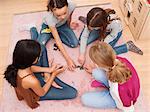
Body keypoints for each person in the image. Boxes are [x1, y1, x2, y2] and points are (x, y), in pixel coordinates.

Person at [4, 39, 77, 109]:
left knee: (41, 47)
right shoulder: (31, 81)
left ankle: (47, 75)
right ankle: (49, 76)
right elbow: (42, 93)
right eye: (37, 57)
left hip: (32, 79)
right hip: (37, 92)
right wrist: (54, 75)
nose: (38, 58)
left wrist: (49, 70)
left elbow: (30, 68)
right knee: (72, 92)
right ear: (30, 61)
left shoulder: (19, 64)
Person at [81, 42, 140, 112]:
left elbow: (129, 108)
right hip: (118, 86)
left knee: (84, 99)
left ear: (98, 64)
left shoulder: (118, 89)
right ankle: (108, 87)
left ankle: (110, 94)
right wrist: (93, 70)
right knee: (96, 72)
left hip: (119, 98)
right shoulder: (119, 60)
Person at [78, 7, 143, 65]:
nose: (90, 29)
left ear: (101, 24)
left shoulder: (115, 23)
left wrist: (102, 43)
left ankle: (127, 46)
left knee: (104, 53)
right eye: (89, 25)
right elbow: (84, 36)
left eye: (93, 27)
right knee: (82, 41)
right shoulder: (94, 21)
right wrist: (82, 54)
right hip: (101, 29)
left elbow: (112, 36)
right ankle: (90, 23)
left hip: (113, 34)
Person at [35, 0, 79, 71]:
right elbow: (58, 41)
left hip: (62, 25)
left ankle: (53, 35)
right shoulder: (49, 18)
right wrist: (68, 59)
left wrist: (69, 25)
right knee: (39, 47)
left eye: (65, 13)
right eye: (58, 15)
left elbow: (69, 16)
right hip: (49, 27)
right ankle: (33, 30)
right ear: (52, 11)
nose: (63, 17)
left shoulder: (72, 5)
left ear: (67, 6)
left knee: (74, 44)